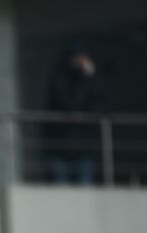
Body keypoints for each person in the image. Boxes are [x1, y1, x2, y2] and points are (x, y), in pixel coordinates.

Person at [43, 43, 104, 185]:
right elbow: (70, 104)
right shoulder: (59, 79)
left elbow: (100, 102)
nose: (80, 62)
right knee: (61, 187)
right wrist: (83, 78)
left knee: (84, 186)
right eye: (77, 59)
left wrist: (89, 76)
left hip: (83, 145)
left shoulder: (90, 80)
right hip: (59, 143)